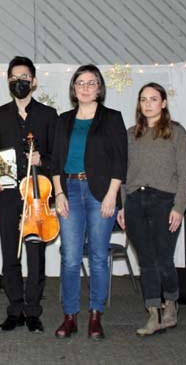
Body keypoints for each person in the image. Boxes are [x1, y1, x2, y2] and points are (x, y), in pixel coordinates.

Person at [51, 64, 127, 340]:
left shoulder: (112, 118)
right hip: (69, 190)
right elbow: (56, 161)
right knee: (70, 258)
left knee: (97, 257)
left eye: (91, 82)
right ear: (74, 88)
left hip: (100, 194)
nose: (85, 87)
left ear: (99, 87)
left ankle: (95, 316)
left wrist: (111, 195)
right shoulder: (64, 120)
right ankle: (70, 315)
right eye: (80, 82)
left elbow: (120, 161)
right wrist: (58, 193)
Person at [0, 56, 57, 333]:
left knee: (36, 255)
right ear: (8, 82)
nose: (20, 82)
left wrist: (42, 160)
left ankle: (33, 310)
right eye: (15, 78)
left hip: (37, 198)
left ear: (34, 81)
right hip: (7, 197)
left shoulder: (48, 116)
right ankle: (14, 308)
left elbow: (57, 157)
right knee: (10, 256)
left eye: (25, 77)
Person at [117, 83, 186, 336]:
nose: (147, 104)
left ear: (163, 103)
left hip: (165, 201)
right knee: (146, 260)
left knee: (163, 259)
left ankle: (171, 302)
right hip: (135, 202)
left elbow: (184, 175)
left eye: (153, 99)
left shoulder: (177, 132)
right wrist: (123, 205)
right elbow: (123, 175)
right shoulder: (130, 135)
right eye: (143, 99)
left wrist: (179, 207)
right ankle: (153, 312)